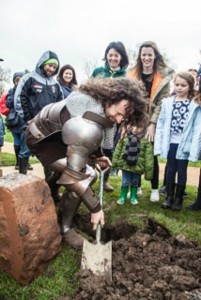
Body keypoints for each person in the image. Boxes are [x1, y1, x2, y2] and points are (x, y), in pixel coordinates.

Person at [25, 77, 148, 249]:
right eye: (119, 113)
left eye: (124, 118)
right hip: (43, 140)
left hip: (57, 136)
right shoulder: (86, 120)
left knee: (81, 170)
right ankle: (65, 228)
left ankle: (54, 189)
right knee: (88, 175)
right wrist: (95, 208)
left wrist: (97, 155)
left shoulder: (97, 107)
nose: (119, 120)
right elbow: (75, 176)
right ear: (110, 99)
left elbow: (84, 142)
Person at [128, 41, 174, 202]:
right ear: (140, 57)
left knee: (151, 155)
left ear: (155, 56)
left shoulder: (163, 77)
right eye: (144, 54)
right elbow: (128, 99)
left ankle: (154, 188)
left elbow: (162, 103)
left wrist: (152, 124)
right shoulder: (132, 74)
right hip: (135, 119)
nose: (146, 57)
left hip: (153, 120)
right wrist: (131, 121)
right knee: (133, 152)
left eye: (149, 54)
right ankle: (136, 186)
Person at [14, 50, 63, 198]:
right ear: (42, 64)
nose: (52, 69)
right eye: (49, 66)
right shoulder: (29, 79)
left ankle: (49, 189)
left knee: (49, 156)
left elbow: (60, 104)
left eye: (55, 67)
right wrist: (28, 118)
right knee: (25, 151)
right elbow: (19, 98)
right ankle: (21, 183)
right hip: (32, 124)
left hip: (49, 127)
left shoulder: (55, 84)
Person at [154, 72, 201, 211]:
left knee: (181, 171)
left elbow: (196, 126)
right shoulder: (168, 102)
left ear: (190, 86)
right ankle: (169, 197)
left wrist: (194, 145)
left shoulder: (194, 104)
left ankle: (179, 198)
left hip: (185, 143)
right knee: (170, 169)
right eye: (177, 84)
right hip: (171, 143)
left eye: (183, 85)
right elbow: (162, 122)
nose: (179, 88)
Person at [92, 41, 129, 192]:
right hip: (95, 115)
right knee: (90, 145)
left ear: (121, 57)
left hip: (112, 120)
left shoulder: (125, 77)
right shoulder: (98, 71)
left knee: (108, 149)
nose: (113, 58)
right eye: (110, 55)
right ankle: (87, 177)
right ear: (106, 56)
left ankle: (105, 179)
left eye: (116, 55)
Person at [112, 124, 153, 206]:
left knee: (135, 182)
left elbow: (149, 157)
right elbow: (117, 150)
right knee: (125, 181)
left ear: (143, 128)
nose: (134, 129)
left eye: (138, 126)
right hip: (125, 165)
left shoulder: (145, 141)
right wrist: (114, 162)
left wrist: (148, 172)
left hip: (137, 166)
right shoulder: (124, 138)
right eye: (132, 126)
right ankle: (122, 196)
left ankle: (133, 197)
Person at [5, 72, 34, 170]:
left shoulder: (27, 90)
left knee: (24, 143)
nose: (18, 82)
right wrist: (15, 93)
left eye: (20, 79)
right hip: (14, 122)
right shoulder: (11, 91)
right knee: (17, 143)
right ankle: (18, 162)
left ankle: (25, 163)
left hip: (24, 122)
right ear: (14, 81)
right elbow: (8, 104)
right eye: (16, 80)